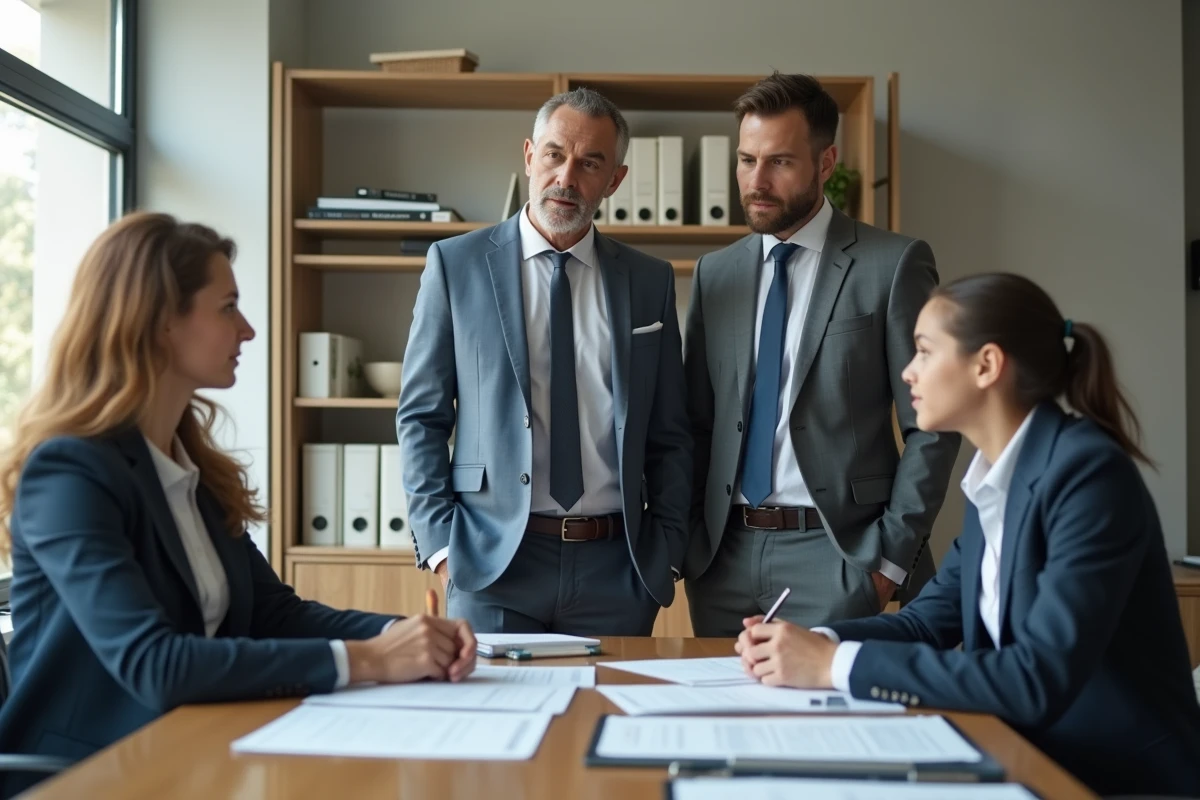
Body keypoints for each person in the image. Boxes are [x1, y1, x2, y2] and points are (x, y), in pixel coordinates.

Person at [0, 213, 476, 796]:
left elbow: (277, 615)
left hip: (194, 750)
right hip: (93, 774)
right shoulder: (69, 473)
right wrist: (371, 659)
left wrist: (412, 634)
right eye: (228, 307)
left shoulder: (188, 468)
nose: (248, 330)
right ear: (158, 324)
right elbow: (156, 665)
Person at [736, 273, 1200, 797]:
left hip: (1115, 781)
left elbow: (1037, 678)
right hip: (1025, 758)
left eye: (925, 352)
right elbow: (923, 625)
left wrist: (834, 666)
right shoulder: (995, 474)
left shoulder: (1088, 476)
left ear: (987, 365)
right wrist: (815, 642)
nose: (908, 373)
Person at [397, 88, 691, 634]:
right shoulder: (455, 265)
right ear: (530, 156)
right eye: (556, 154)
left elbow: (670, 431)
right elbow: (421, 416)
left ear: (615, 180)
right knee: (495, 720)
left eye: (590, 163)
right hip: (493, 563)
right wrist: (440, 545)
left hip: (617, 569)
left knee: (610, 717)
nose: (567, 177)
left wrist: (667, 551)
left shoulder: (649, 281)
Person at [684, 72, 959, 635]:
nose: (756, 181)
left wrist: (887, 561)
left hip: (839, 552)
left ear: (826, 162)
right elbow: (692, 423)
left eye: (780, 162)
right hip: (722, 558)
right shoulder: (717, 274)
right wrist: (687, 541)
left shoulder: (893, 264)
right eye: (746, 160)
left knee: (829, 720)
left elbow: (934, 422)